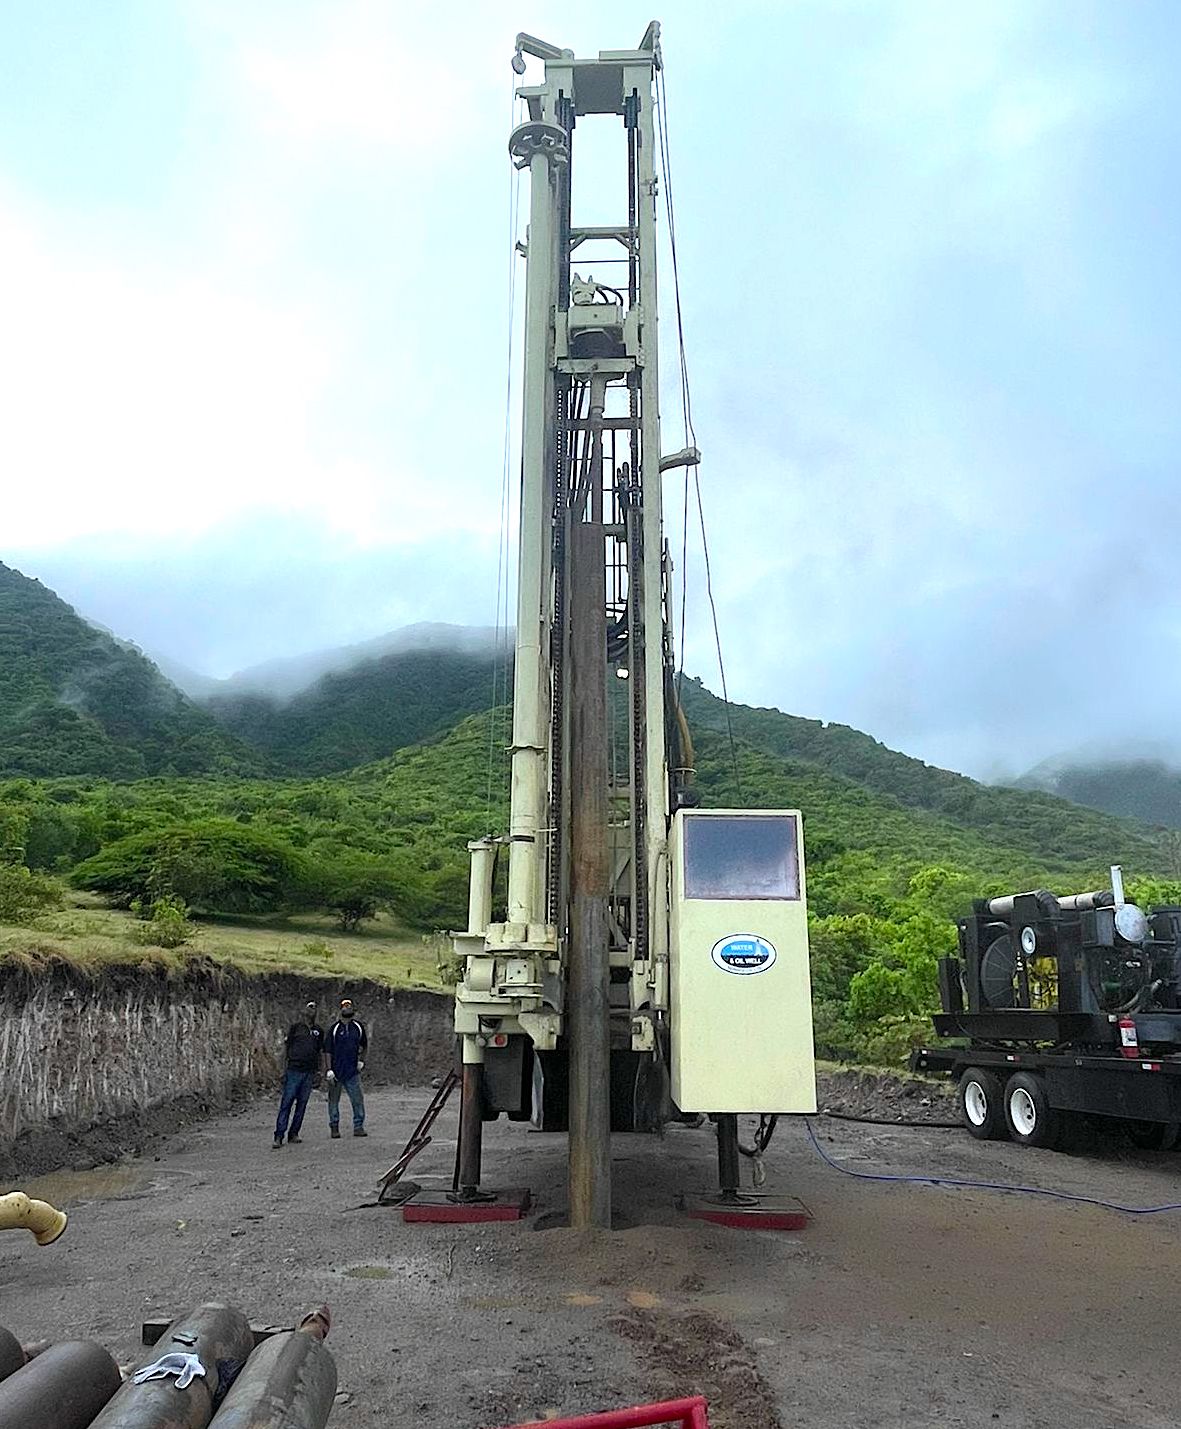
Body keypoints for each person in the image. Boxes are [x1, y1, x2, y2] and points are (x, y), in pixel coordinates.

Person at [273, 1000, 323, 1149]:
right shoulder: (296, 1028)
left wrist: (319, 1071)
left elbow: (319, 1051)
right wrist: (282, 1069)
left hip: (309, 1072)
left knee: (302, 1105)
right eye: (309, 1007)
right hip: (294, 1070)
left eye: (314, 1008)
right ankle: (279, 1135)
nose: (312, 1010)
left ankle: (294, 1133)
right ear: (304, 1011)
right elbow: (286, 1049)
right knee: (286, 1103)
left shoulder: (318, 1031)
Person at [325, 997, 368, 1138]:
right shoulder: (334, 1029)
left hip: (352, 1071)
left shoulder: (358, 1028)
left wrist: (361, 1061)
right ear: (340, 1010)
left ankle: (358, 1126)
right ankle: (334, 1126)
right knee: (333, 1100)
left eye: (349, 1006)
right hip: (336, 1071)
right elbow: (327, 1050)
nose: (347, 1008)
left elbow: (364, 1045)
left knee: (357, 1099)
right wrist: (329, 1070)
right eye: (344, 1006)